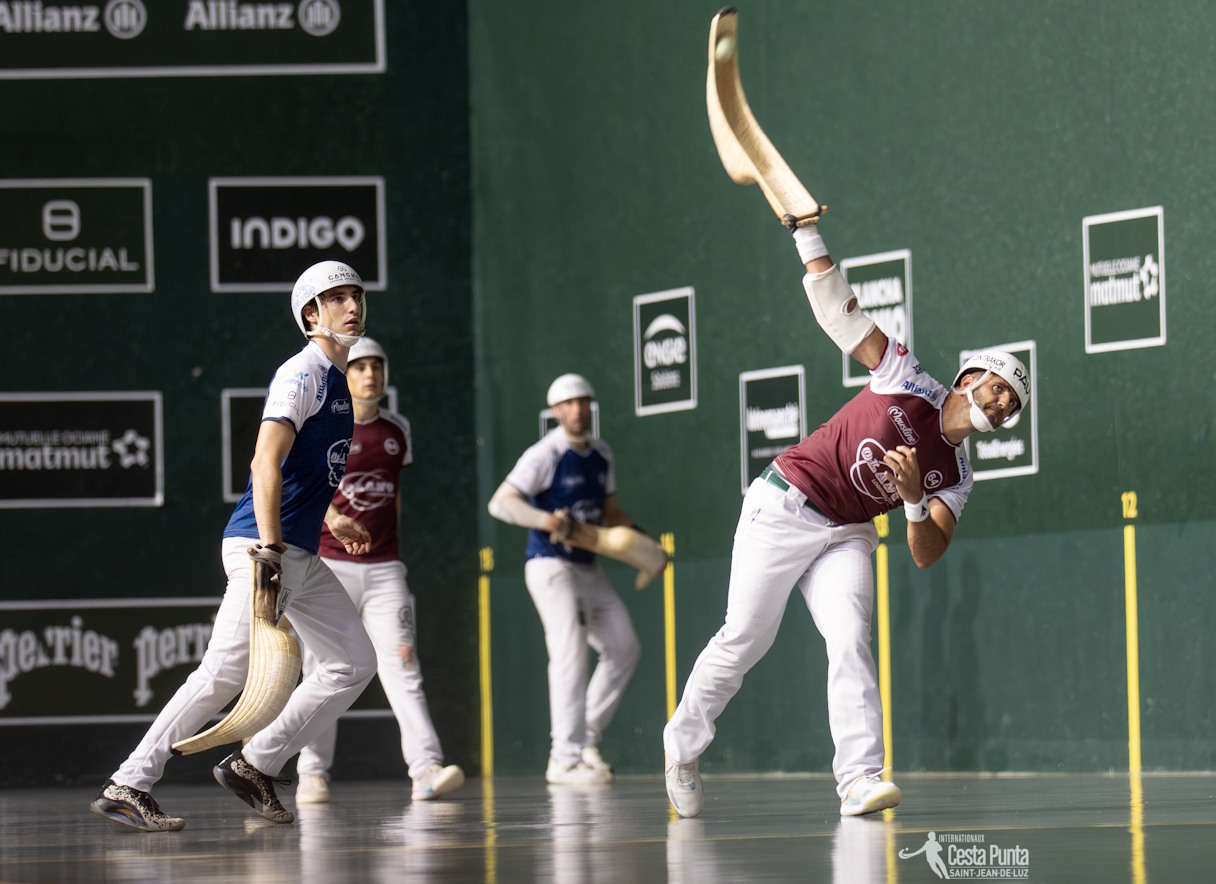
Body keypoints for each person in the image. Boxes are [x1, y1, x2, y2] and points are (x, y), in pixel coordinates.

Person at [661, 217, 1030, 818]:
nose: (1003, 401)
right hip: (786, 501)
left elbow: (927, 551)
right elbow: (843, 317)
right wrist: (808, 237)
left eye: (1012, 403)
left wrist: (913, 499)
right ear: (969, 378)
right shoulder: (906, 376)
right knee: (746, 636)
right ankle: (680, 751)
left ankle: (858, 779)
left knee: (850, 635)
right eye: (999, 386)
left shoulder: (958, 476)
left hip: (847, 533)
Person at [90, 260, 381, 831]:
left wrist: (333, 515)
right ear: (310, 315)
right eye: (336, 298)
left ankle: (256, 763)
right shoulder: (302, 373)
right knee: (223, 672)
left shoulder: (337, 382)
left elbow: (305, 472)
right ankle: (129, 782)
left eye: (356, 295)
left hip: (300, 554)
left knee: (352, 663)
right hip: (264, 548)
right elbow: (264, 462)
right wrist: (270, 550)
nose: (352, 306)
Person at [292, 336, 466, 805]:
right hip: (330, 566)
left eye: (377, 367)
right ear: (344, 374)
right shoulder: (325, 426)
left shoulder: (397, 430)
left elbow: (395, 495)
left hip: (386, 568)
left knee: (403, 663)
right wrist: (331, 522)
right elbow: (304, 489)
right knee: (323, 666)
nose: (370, 374)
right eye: (360, 366)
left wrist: (390, 549)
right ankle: (312, 773)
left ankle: (426, 769)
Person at [487, 374, 643, 784]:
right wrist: (547, 520)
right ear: (556, 411)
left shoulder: (601, 453)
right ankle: (563, 758)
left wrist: (645, 544)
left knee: (624, 647)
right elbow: (501, 503)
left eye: (583, 402)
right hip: (549, 565)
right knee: (570, 651)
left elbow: (611, 512)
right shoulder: (546, 453)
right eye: (568, 404)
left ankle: (585, 740)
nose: (577, 410)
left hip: (588, 567)